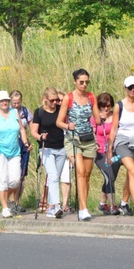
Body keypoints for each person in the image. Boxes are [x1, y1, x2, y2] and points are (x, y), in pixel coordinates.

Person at [57, 69, 102, 221]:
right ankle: (83, 209)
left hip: (88, 139)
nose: (84, 85)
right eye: (81, 82)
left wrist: (102, 118)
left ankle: (83, 205)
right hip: (73, 140)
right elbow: (59, 121)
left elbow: (97, 119)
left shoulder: (91, 97)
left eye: (86, 82)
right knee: (80, 171)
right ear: (75, 81)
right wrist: (67, 126)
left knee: (87, 175)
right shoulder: (68, 98)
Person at [0, 91, 30, 218]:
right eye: (1, 101)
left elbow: (21, 129)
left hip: (15, 150)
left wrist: (25, 142)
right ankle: (5, 207)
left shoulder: (15, 112)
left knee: (15, 180)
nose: (4, 103)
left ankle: (4, 198)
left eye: (6, 100)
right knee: (2, 179)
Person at [108, 77, 134, 217]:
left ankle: (124, 203)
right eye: (130, 87)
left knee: (132, 174)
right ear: (125, 88)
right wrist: (109, 149)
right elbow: (114, 128)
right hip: (122, 141)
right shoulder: (119, 105)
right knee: (131, 169)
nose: (132, 90)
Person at [30, 88, 65, 218]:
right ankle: (57, 205)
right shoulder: (39, 112)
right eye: (52, 100)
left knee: (55, 178)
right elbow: (34, 131)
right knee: (53, 175)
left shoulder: (61, 110)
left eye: (56, 100)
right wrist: (40, 137)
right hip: (46, 148)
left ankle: (50, 208)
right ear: (45, 99)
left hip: (61, 148)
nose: (55, 102)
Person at [92, 93, 122, 216]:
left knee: (111, 178)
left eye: (108, 105)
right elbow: (93, 132)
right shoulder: (95, 118)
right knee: (108, 175)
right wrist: (94, 143)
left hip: (114, 152)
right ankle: (113, 205)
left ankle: (102, 202)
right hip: (100, 153)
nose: (105, 108)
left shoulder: (115, 116)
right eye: (103, 106)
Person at [9, 90, 33, 214]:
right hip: (11, 144)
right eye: (14, 103)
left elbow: (32, 127)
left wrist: (30, 142)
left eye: (18, 102)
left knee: (21, 175)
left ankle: (17, 202)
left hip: (23, 144)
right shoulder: (6, 112)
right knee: (13, 175)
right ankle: (10, 201)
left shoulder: (25, 111)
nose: (16, 105)